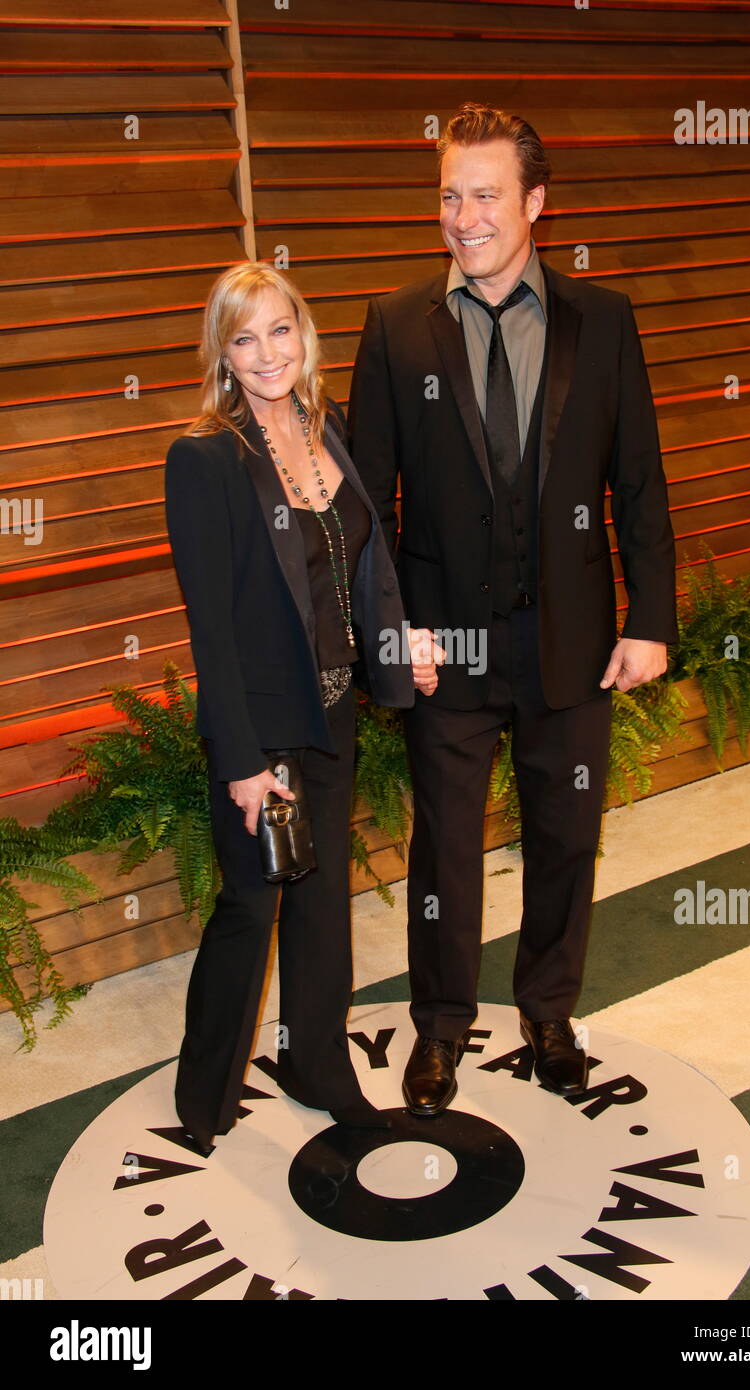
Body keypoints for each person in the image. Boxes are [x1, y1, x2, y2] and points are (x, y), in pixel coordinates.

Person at [348, 103, 678, 1117]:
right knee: (444, 844)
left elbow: (638, 483)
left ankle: (546, 1011)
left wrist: (650, 617)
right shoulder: (395, 324)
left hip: (569, 636)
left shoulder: (604, 321)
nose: (462, 216)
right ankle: (440, 1025)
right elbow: (367, 498)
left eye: (484, 194)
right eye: (448, 194)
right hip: (444, 642)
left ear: (534, 201)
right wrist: (388, 626)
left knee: (564, 832)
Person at [164, 261, 418, 1156]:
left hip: (334, 708)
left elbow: (354, 571)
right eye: (244, 337)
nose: (267, 353)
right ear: (223, 354)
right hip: (264, 729)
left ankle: (320, 1066)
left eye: (280, 330)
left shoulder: (325, 426)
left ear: (302, 333)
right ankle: (203, 1097)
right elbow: (212, 631)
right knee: (250, 905)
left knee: (320, 900)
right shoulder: (204, 458)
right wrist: (241, 758)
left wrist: (396, 651)